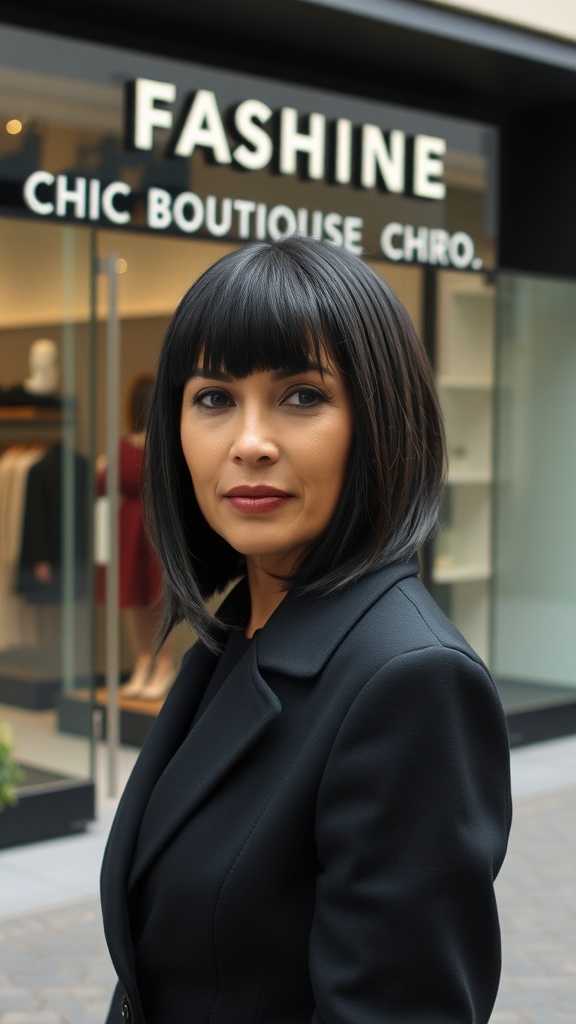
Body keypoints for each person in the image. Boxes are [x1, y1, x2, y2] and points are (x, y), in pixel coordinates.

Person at [100, 236, 512, 1024]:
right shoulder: (237, 633)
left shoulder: (409, 681)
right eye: (214, 397)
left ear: (379, 421)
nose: (249, 441)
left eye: (301, 396)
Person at [96, 374, 176, 701]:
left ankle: (165, 665)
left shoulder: (163, 445)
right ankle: (144, 662)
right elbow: (102, 488)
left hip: (152, 528)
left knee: (156, 601)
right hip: (129, 529)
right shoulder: (124, 445)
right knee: (134, 601)